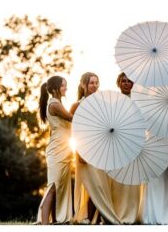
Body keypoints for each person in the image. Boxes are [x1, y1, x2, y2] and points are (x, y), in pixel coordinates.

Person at [69, 72, 118, 224]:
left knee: (102, 185)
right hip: (85, 150)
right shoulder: (77, 105)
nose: (94, 86)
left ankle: (97, 219)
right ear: (83, 85)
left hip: (102, 149)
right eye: (91, 83)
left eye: (97, 82)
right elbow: (73, 130)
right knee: (92, 185)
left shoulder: (102, 103)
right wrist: (78, 151)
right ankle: (89, 218)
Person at [35, 76, 74, 225]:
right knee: (53, 187)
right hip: (57, 151)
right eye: (63, 85)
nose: (66, 88)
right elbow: (71, 118)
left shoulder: (58, 103)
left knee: (58, 187)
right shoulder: (54, 105)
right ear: (54, 88)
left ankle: (55, 220)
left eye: (66, 85)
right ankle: (45, 223)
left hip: (63, 149)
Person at [109, 72, 143, 224]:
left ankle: (132, 214)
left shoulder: (140, 102)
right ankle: (116, 213)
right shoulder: (113, 100)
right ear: (118, 83)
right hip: (116, 144)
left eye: (130, 81)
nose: (126, 83)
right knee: (117, 180)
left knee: (132, 179)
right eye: (123, 81)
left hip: (134, 143)